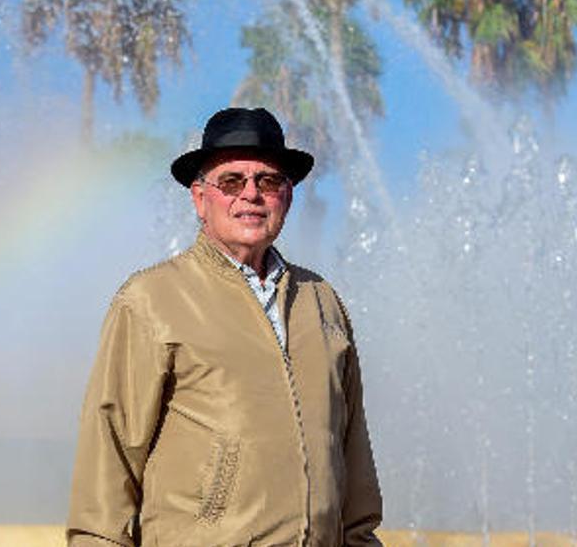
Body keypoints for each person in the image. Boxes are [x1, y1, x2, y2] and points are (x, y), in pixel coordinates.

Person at [66, 108, 382, 546]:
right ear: (200, 199)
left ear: (287, 197)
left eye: (268, 181)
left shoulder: (321, 300)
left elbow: (353, 455)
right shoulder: (151, 300)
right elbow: (110, 453)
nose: (250, 194)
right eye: (231, 181)